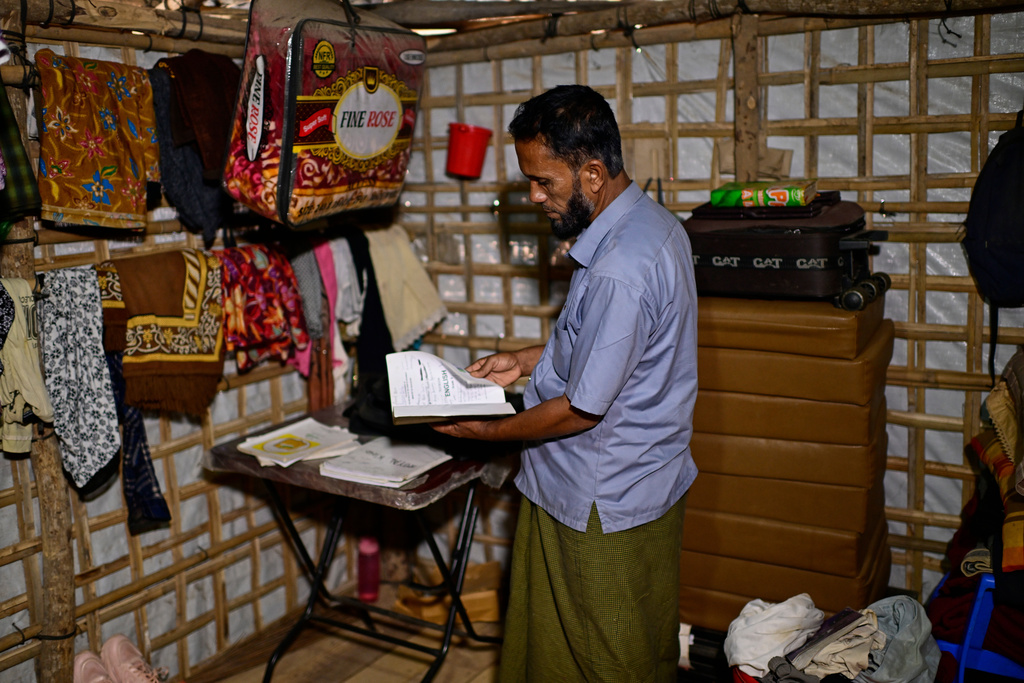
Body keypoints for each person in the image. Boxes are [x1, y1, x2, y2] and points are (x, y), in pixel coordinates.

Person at [432, 84, 699, 682]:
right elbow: (610, 349)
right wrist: (525, 360)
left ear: (594, 173)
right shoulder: (653, 226)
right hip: (640, 483)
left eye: (544, 181)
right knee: (605, 641)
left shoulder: (618, 270)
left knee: (605, 656)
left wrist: (489, 429)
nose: (534, 196)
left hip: (597, 502)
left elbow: (582, 409)